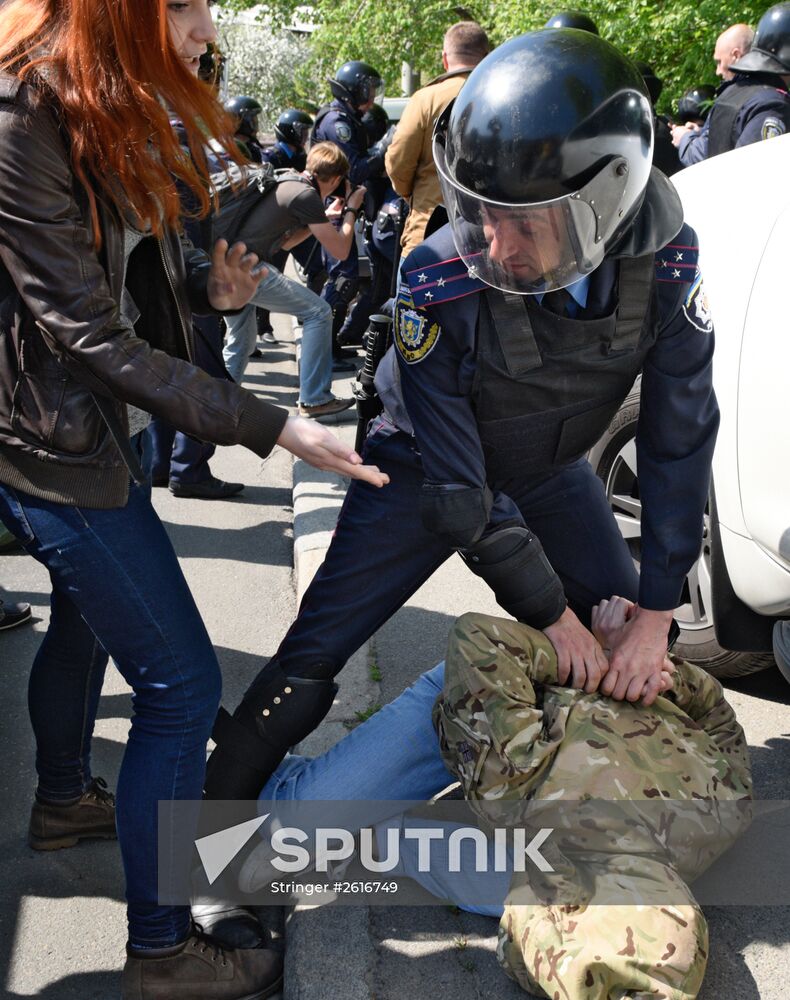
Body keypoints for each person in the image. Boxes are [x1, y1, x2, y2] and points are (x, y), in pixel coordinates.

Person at [204, 28, 719, 802]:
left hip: (546, 469)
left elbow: (680, 443)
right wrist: (552, 617)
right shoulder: (437, 272)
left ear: (606, 202)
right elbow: (456, 488)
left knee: (646, 638)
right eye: (483, 213)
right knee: (315, 651)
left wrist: (652, 614)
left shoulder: (668, 261)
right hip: (419, 470)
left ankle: (564, 794)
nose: (498, 244)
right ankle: (214, 832)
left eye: (527, 222)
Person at [0, 3, 388, 998]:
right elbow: (82, 333)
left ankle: (61, 799)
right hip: (54, 438)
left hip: (95, 423)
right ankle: (165, 953)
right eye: (181, 9)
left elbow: (131, 267)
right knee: (175, 686)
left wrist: (213, 296)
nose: (205, 31)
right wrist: (267, 423)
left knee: (87, 625)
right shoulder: (20, 117)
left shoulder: (97, 103)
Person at [225, 603, 748, 1000]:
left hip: (527, 765)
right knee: (299, 813)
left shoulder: (714, 825)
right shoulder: (522, 790)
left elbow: (722, 722)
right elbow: (478, 638)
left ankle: (358, 838)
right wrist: (614, 659)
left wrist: (669, 676)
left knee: (496, 884)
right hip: (485, 695)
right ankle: (222, 780)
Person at [221, 142, 367, 417]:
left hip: (227, 262)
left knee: (241, 339)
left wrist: (322, 219)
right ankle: (314, 399)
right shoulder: (306, 194)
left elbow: (286, 243)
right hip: (247, 268)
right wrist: (351, 209)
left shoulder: (289, 179)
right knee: (318, 312)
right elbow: (340, 249)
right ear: (336, 179)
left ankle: (220, 403)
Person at [385, 21, 489, 258]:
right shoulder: (503, 94)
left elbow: (398, 163)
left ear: (445, 58)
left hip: (429, 238)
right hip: (491, 239)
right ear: (487, 56)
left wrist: (410, 192)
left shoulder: (426, 99)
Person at [312, 60, 390, 370]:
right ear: (353, 89)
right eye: (366, 90)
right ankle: (323, 353)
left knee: (346, 279)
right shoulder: (337, 121)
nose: (370, 97)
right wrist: (385, 147)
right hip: (334, 209)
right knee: (342, 281)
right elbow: (354, 168)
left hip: (345, 208)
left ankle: (330, 345)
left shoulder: (347, 119)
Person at [669, 20, 790, 164]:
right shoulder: (771, 103)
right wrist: (696, 135)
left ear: (736, 55)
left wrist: (687, 138)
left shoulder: (741, 96)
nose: (718, 71)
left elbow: (720, 152)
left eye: (719, 62)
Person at [224, 94, 266, 163]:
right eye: (253, 122)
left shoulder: (254, 150)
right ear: (240, 122)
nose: (257, 129)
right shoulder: (226, 151)